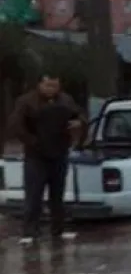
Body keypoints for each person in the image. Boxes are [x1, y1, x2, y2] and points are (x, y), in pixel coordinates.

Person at [7, 72, 84, 245]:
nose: (52, 89)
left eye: (55, 86)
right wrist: (33, 142)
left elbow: (79, 115)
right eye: (48, 85)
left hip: (60, 152)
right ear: (40, 85)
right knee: (34, 194)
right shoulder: (26, 101)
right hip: (36, 155)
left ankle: (58, 229)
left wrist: (78, 123)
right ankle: (30, 232)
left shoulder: (66, 100)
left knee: (57, 195)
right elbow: (16, 125)